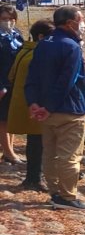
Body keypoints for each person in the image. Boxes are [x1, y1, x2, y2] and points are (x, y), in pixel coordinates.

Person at [24, 5, 85, 209]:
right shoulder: (71, 46)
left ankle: (55, 192)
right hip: (69, 109)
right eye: (81, 20)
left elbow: (32, 76)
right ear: (70, 23)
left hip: (45, 109)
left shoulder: (44, 43)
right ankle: (68, 196)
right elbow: (66, 80)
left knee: (50, 153)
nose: (83, 24)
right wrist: (50, 106)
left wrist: (33, 102)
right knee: (69, 155)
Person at [7, 19, 54, 191]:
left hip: (24, 102)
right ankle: (34, 177)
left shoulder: (23, 50)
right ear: (41, 37)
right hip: (35, 104)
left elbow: (11, 75)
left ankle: (33, 176)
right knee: (37, 143)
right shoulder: (37, 55)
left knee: (34, 142)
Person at [0, 3, 25, 164]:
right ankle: (8, 152)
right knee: (2, 119)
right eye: (3, 19)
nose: (8, 21)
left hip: (15, 83)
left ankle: (10, 149)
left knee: (12, 118)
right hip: (2, 83)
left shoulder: (17, 35)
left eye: (11, 18)